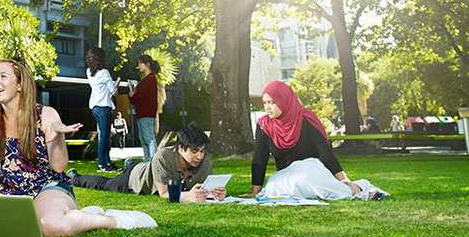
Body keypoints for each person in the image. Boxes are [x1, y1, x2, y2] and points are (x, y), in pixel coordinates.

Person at [0, 58, 156, 236]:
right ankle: (79, 215)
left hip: (48, 188)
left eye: (3, 76)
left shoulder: (46, 115)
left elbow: (58, 166)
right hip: (15, 197)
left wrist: (56, 138)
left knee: (50, 225)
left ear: (20, 84)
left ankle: (113, 220)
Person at [249, 81, 383, 200]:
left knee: (308, 179)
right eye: (265, 103)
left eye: (272, 102)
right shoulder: (264, 125)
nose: (267, 107)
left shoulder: (305, 118)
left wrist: (344, 180)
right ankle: (354, 191)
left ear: (284, 100)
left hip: (312, 170)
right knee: (272, 186)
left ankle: (359, 192)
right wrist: (255, 192)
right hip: (287, 176)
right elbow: (260, 159)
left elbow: (325, 153)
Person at [67, 124, 227, 202]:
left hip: (149, 169)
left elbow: (204, 188)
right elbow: (165, 194)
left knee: (141, 166)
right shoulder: (163, 157)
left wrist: (215, 193)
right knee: (106, 184)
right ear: (180, 148)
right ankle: (75, 178)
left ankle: (130, 163)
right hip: (134, 179)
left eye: (202, 150)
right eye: (194, 151)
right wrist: (189, 196)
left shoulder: (205, 160)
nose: (200, 156)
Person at [85, 47, 120, 172]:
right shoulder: (104, 72)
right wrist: (116, 89)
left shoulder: (89, 71)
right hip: (104, 106)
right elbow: (113, 91)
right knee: (105, 137)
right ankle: (102, 164)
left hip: (95, 106)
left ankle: (107, 163)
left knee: (104, 136)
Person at [129, 53, 160, 161]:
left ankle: (153, 161)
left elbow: (138, 96)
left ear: (147, 64)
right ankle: (147, 161)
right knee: (143, 138)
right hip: (142, 113)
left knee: (149, 138)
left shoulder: (150, 79)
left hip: (146, 113)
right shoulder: (148, 79)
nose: (139, 66)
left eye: (141, 63)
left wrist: (132, 95)